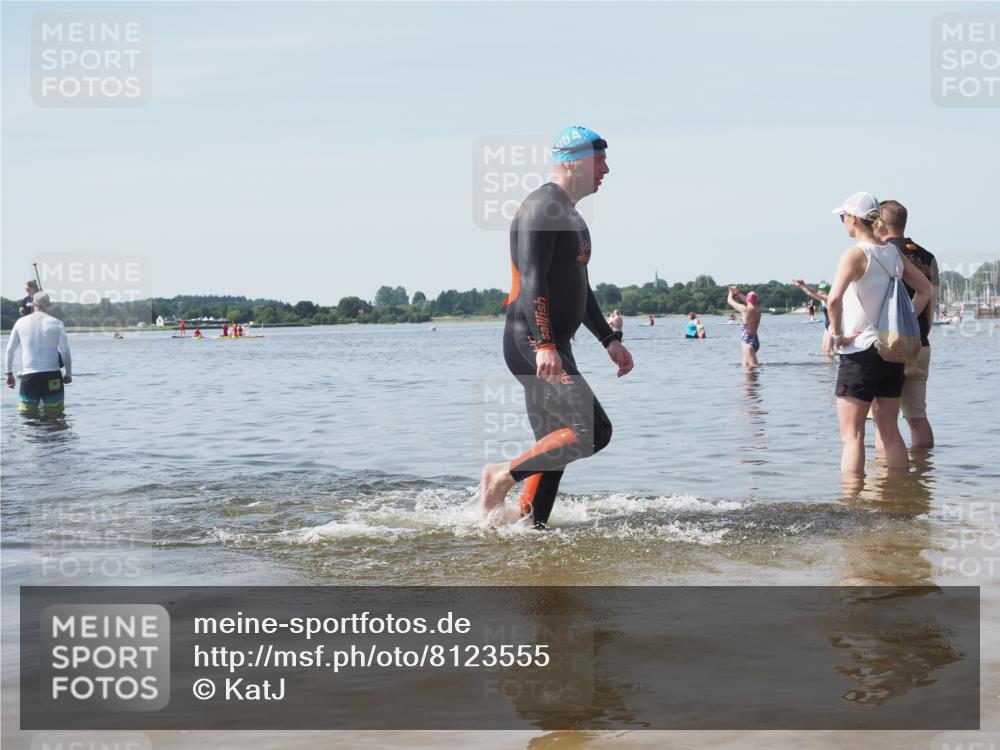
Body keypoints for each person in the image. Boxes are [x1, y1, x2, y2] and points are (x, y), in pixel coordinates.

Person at [480, 125, 634, 529]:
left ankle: (527, 532)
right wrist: (545, 345)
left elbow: (579, 284)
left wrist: (608, 338)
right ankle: (501, 477)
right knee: (592, 431)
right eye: (599, 160)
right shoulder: (542, 208)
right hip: (531, 342)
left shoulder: (571, 214)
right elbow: (533, 280)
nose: (605, 169)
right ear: (573, 161)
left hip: (553, 344)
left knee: (555, 449)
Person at [826, 192, 931, 475]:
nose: (842, 222)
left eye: (843, 217)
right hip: (890, 350)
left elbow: (833, 300)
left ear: (853, 219)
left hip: (860, 351)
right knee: (890, 431)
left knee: (852, 436)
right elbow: (925, 290)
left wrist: (838, 337)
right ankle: (901, 492)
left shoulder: (855, 254)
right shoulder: (893, 253)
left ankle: (852, 498)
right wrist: (902, 320)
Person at [874, 199, 939, 449]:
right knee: (917, 417)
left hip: (889, 345)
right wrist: (920, 332)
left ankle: (886, 471)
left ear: (880, 222)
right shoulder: (928, 257)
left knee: (883, 422)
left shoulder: (882, 252)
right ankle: (924, 467)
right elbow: (931, 306)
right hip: (920, 343)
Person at [4, 291, 72, 413]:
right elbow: (65, 351)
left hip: (29, 377)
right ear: (49, 306)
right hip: (53, 376)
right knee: (55, 415)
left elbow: (9, 349)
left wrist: (8, 374)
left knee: (27, 415)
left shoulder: (20, 322)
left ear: (33, 304)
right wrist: (68, 373)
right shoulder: (57, 323)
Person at [794, 279, 833, 356]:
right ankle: (828, 364)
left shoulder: (828, 298)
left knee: (828, 350)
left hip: (832, 326)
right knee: (824, 349)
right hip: (827, 326)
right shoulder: (822, 299)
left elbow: (813, 292)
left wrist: (804, 285)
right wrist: (801, 286)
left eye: (820, 291)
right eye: (819, 290)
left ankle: (832, 363)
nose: (818, 292)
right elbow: (809, 293)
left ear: (825, 291)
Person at [727, 287, 761, 368]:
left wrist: (730, 292)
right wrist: (738, 293)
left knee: (754, 367)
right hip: (755, 341)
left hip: (747, 342)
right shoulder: (758, 309)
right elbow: (748, 301)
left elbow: (729, 301)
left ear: (748, 300)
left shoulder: (744, 309)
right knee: (746, 367)